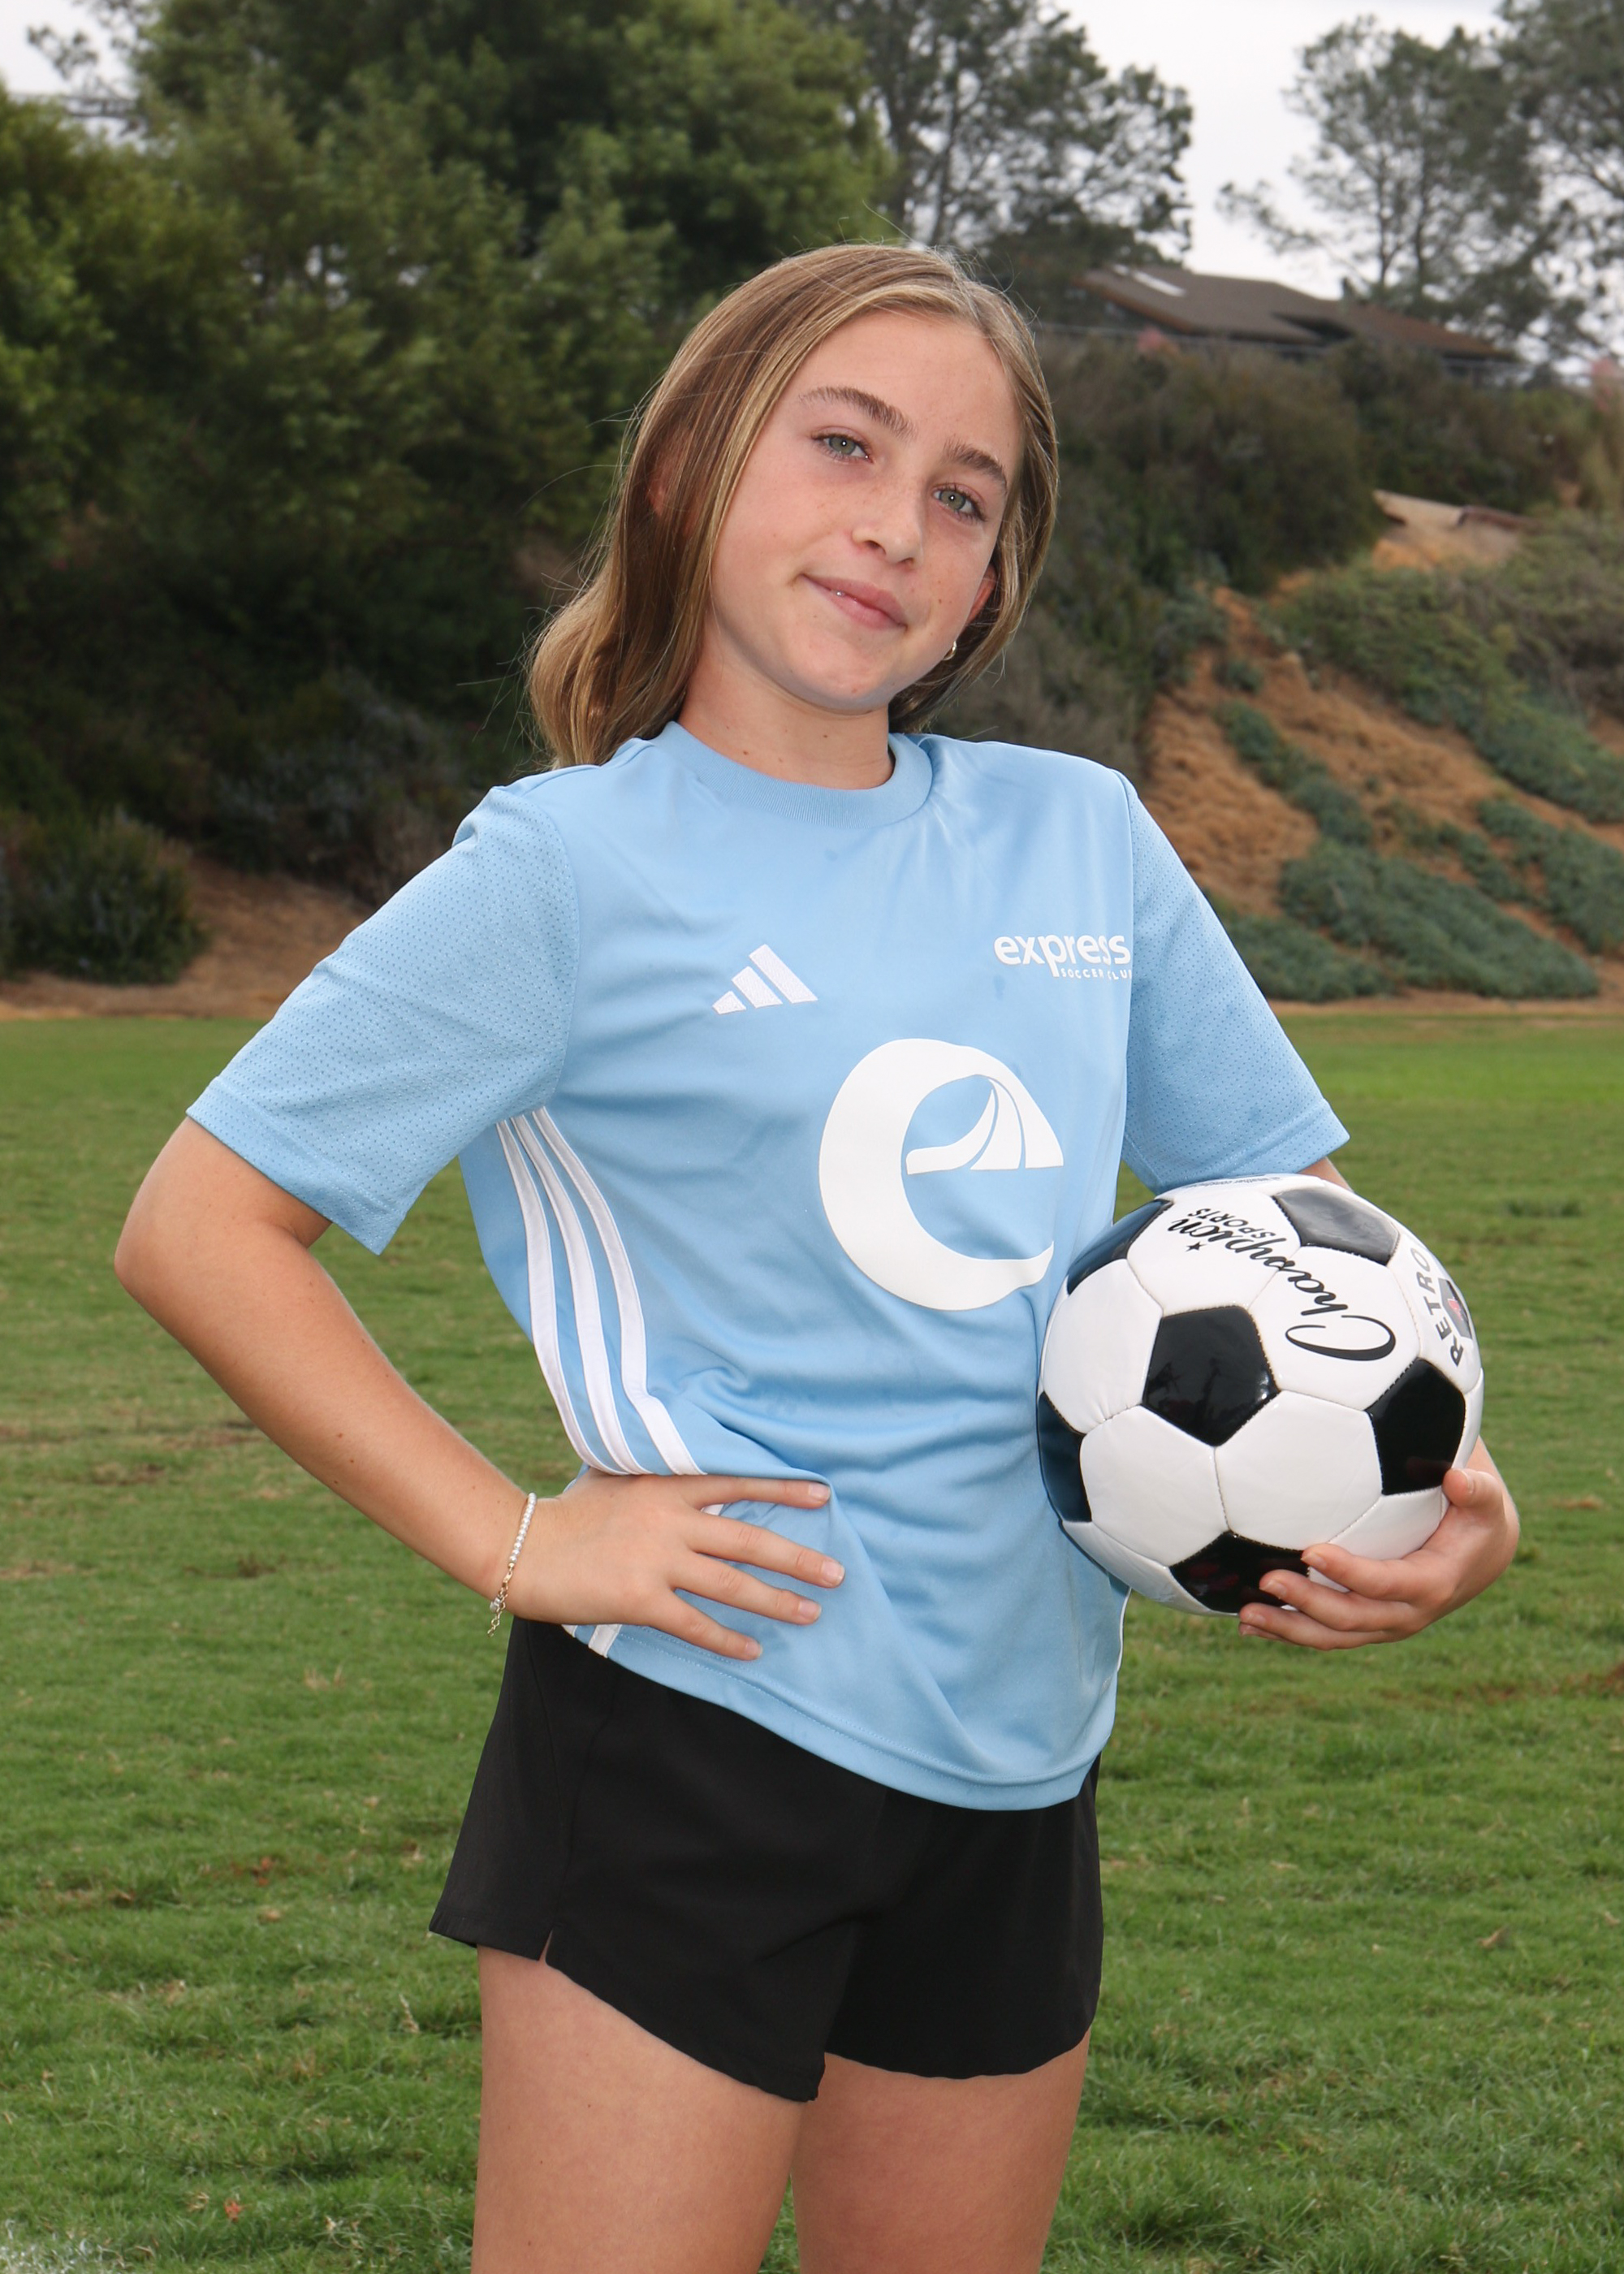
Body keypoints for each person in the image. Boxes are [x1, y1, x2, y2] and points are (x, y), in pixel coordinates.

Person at [114, 244, 1519, 2274]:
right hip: (692, 1741)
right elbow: (199, 1223)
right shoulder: (564, 868)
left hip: (1023, 1758)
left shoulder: (1082, 841)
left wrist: (1445, 1496)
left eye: (962, 494)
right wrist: (518, 1539)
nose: (895, 524)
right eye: (843, 444)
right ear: (686, 466)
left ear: (992, 579)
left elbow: (1311, 1260)